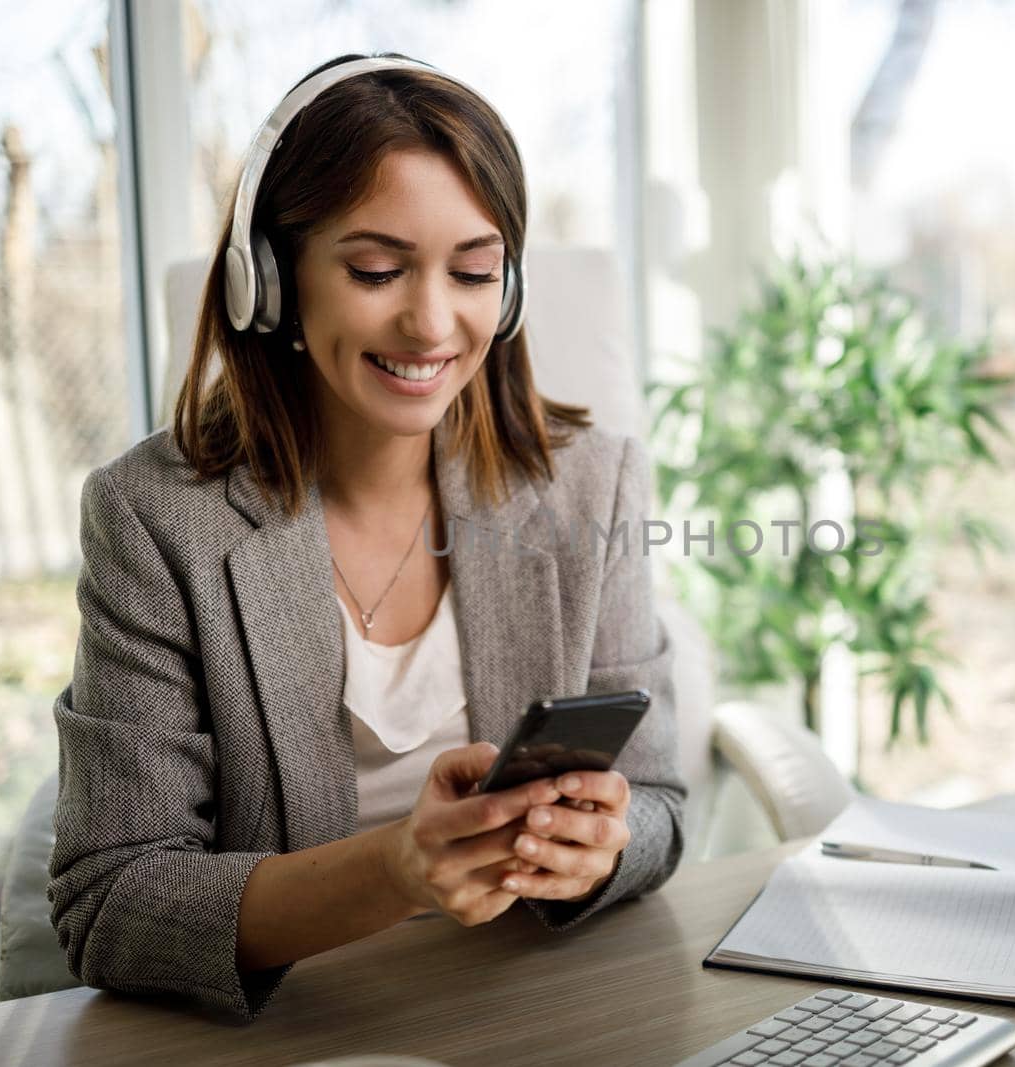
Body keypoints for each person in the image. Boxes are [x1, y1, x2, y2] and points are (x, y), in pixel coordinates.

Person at [47, 53, 685, 1022]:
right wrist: (397, 870)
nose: (431, 322)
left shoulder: (591, 484)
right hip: (297, 1023)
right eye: (377, 269)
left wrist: (601, 846)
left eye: (473, 271)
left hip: (527, 998)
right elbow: (111, 902)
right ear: (269, 279)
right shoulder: (154, 519)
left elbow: (663, 804)